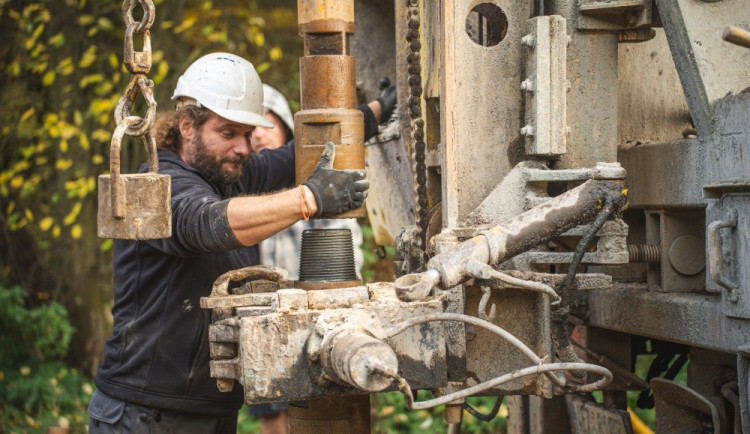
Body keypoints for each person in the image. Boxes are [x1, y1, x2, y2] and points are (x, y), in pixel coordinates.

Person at [87, 52, 390, 433]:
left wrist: (375, 114)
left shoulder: (228, 174)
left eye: (247, 134)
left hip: (213, 413)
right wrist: (309, 198)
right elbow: (206, 223)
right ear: (186, 126)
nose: (244, 148)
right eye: (228, 133)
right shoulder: (158, 185)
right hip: (143, 415)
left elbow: (296, 154)